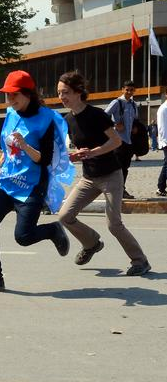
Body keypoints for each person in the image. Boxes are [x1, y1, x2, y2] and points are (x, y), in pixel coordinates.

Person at [0, 70, 73, 293]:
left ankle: (53, 230)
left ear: (28, 94)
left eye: (14, 95)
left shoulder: (45, 119)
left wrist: (26, 146)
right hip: (7, 181)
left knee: (24, 237)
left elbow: (45, 159)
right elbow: (8, 146)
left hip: (32, 185)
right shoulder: (11, 113)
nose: (9, 100)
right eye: (7, 95)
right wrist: (1, 160)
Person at [57, 71, 151, 276]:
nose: (61, 97)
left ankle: (140, 261)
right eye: (59, 93)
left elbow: (116, 141)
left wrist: (93, 152)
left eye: (65, 92)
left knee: (114, 224)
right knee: (64, 215)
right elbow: (80, 148)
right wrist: (74, 156)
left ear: (78, 92)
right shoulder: (68, 119)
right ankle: (91, 243)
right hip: (89, 177)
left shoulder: (97, 114)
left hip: (110, 175)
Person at [104, 81, 138, 199]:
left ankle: (121, 189)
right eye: (127, 89)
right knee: (117, 167)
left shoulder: (134, 104)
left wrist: (134, 127)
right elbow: (103, 116)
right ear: (122, 89)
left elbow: (135, 119)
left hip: (128, 141)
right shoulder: (117, 102)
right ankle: (116, 190)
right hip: (117, 141)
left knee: (125, 167)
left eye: (132, 90)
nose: (129, 92)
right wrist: (115, 124)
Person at [156, 100, 167, 197]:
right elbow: (162, 128)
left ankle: (161, 187)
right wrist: (165, 143)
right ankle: (161, 187)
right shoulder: (163, 109)